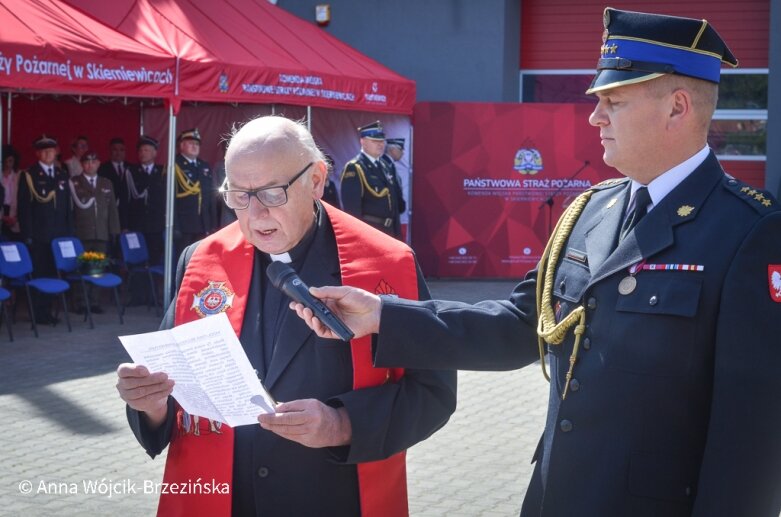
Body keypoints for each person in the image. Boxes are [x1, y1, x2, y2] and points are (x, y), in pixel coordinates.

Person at [292, 8, 781, 517]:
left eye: (613, 102)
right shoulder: (593, 210)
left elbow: (750, 440)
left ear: (678, 108)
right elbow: (523, 325)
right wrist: (383, 315)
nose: (595, 117)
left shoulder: (748, 232)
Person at [115, 116, 456, 516]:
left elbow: (433, 393)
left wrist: (341, 424)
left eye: (271, 193)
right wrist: (150, 403)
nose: (255, 214)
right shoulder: (201, 260)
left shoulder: (387, 264)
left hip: (330, 498)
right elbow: (171, 387)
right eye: (238, 195)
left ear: (315, 180)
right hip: (223, 499)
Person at [18, 134, 73, 324]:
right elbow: (24, 208)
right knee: (40, 274)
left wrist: (68, 233)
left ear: (56, 151)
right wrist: (28, 236)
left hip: (58, 236)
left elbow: (67, 207)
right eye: (44, 150)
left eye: (51, 149)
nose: (48, 153)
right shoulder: (29, 175)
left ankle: (48, 311)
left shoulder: (61, 174)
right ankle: (38, 313)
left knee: (53, 273)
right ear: (37, 153)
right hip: (39, 236)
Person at [340, 121, 404, 238]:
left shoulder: (386, 166)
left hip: (389, 231)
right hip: (370, 232)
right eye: (374, 141)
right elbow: (352, 211)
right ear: (363, 142)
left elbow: (394, 205)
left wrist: (397, 235)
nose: (380, 144)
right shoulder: (355, 167)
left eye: (381, 141)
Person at [126, 136, 166, 306]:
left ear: (155, 153)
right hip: (137, 225)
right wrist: (125, 225)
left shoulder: (162, 170)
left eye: (147, 150)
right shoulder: (131, 172)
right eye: (141, 150)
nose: (143, 153)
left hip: (156, 225)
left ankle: (153, 296)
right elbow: (125, 199)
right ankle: (137, 297)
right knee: (137, 262)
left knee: (155, 260)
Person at [173, 128, 215, 258]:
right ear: (181, 145)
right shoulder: (175, 165)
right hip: (184, 224)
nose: (195, 146)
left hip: (203, 222)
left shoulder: (204, 166)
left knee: (200, 258)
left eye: (197, 144)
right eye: (191, 143)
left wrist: (212, 223)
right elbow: (171, 199)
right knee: (183, 259)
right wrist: (175, 225)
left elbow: (210, 197)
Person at [69, 151, 120, 255]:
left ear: (99, 164)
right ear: (81, 164)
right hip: (81, 234)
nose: (90, 165)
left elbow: (112, 209)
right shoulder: (73, 182)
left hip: (101, 233)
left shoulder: (106, 183)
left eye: (94, 162)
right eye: (87, 162)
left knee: (100, 267)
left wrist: (114, 231)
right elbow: (69, 209)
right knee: (81, 266)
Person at [98, 137, 131, 233]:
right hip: (109, 214)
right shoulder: (102, 169)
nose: (118, 153)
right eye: (115, 150)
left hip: (129, 215)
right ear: (110, 151)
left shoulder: (131, 168)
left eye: (121, 150)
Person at [382, 137, 409, 237]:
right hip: (386, 215)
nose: (402, 153)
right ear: (392, 149)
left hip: (394, 214)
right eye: (401, 150)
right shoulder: (383, 164)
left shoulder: (390, 165)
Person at [1, 144, 21, 240]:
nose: (8, 164)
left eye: (10, 161)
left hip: (13, 211)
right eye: (5, 161)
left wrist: (15, 217)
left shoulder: (18, 176)